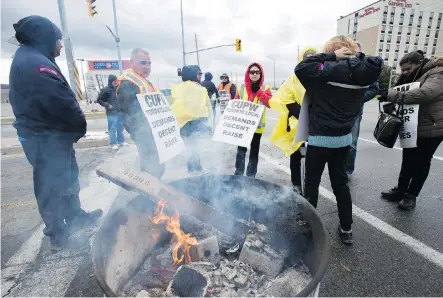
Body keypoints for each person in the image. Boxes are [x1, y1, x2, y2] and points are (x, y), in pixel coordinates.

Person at [9, 16, 103, 249]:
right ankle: (59, 235)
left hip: (53, 137)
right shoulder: (35, 64)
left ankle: (74, 217)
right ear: (46, 39)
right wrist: (79, 124)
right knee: (51, 185)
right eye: (58, 40)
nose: (61, 45)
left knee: (68, 179)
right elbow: (59, 103)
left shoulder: (32, 58)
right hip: (45, 138)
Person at [294, 35, 383, 245]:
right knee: (341, 185)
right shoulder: (360, 76)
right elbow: (374, 88)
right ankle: (346, 228)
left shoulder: (325, 73)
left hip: (319, 141)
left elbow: (302, 67)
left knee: (312, 185)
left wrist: (331, 55)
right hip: (343, 140)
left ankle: (309, 228)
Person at [380, 51, 443, 210]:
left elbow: (425, 93)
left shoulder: (438, 73)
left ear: (420, 63)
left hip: (432, 127)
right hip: (413, 125)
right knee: (408, 159)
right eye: (403, 70)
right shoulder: (417, 75)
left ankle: (411, 195)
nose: (405, 72)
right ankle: (401, 190)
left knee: (421, 162)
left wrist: (392, 95)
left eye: (408, 69)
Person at [269, 47, 318, 194]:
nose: (309, 60)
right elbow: (286, 98)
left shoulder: (320, 76)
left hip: (316, 124)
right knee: (296, 156)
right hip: (297, 124)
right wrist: (304, 116)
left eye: (312, 57)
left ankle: (310, 187)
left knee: (313, 158)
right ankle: (296, 186)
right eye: (306, 57)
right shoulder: (294, 78)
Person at [117, 48, 165, 178]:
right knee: (151, 167)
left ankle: (156, 191)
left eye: (149, 63)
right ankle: (150, 193)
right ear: (131, 63)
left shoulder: (145, 82)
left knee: (158, 165)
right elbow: (127, 114)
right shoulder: (128, 83)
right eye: (143, 63)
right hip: (144, 134)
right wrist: (140, 134)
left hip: (153, 132)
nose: (147, 67)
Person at [346, 42, 380, 176]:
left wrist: (359, 99)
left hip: (355, 112)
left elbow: (374, 88)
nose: (354, 55)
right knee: (337, 143)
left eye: (357, 52)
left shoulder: (366, 68)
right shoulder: (342, 64)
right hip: (338, 111)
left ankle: (347, 171)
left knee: (351, 143)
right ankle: (337, 170)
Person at [171, 65, 213, 174]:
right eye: (199, 74)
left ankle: (193, 168)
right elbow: (206, 106)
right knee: (195, 147)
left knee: (191, 146)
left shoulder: (179, 87)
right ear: (193, 74)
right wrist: (209, 121)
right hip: (195, 122)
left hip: (183, 123)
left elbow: (176, 105)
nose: (200, 76)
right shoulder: (198, 88)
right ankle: (194, 169)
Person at [234, 62, 272, 177]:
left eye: (257, 72)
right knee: (241, 150)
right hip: (243, 126)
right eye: (252, 72)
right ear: (248, 73)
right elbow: (235, 103)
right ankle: (239, 173)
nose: (254, 74)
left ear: (261, 74)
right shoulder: (241, 88)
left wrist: (259, 91)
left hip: (257, 127)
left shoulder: (265, 88)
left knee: (254, 153)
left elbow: (270, 103)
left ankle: (251, 176)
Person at [97, 74, 127, 150]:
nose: (115, 82)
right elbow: (99, 100)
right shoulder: (105, 90)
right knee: (112, 129)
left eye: (116, 80)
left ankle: (121, 141)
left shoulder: (118, 89)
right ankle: (113, 143)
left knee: (120, 128)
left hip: (120, 112)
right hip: (111, 113)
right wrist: (107, 105)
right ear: (110, 81)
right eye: (113, 81)